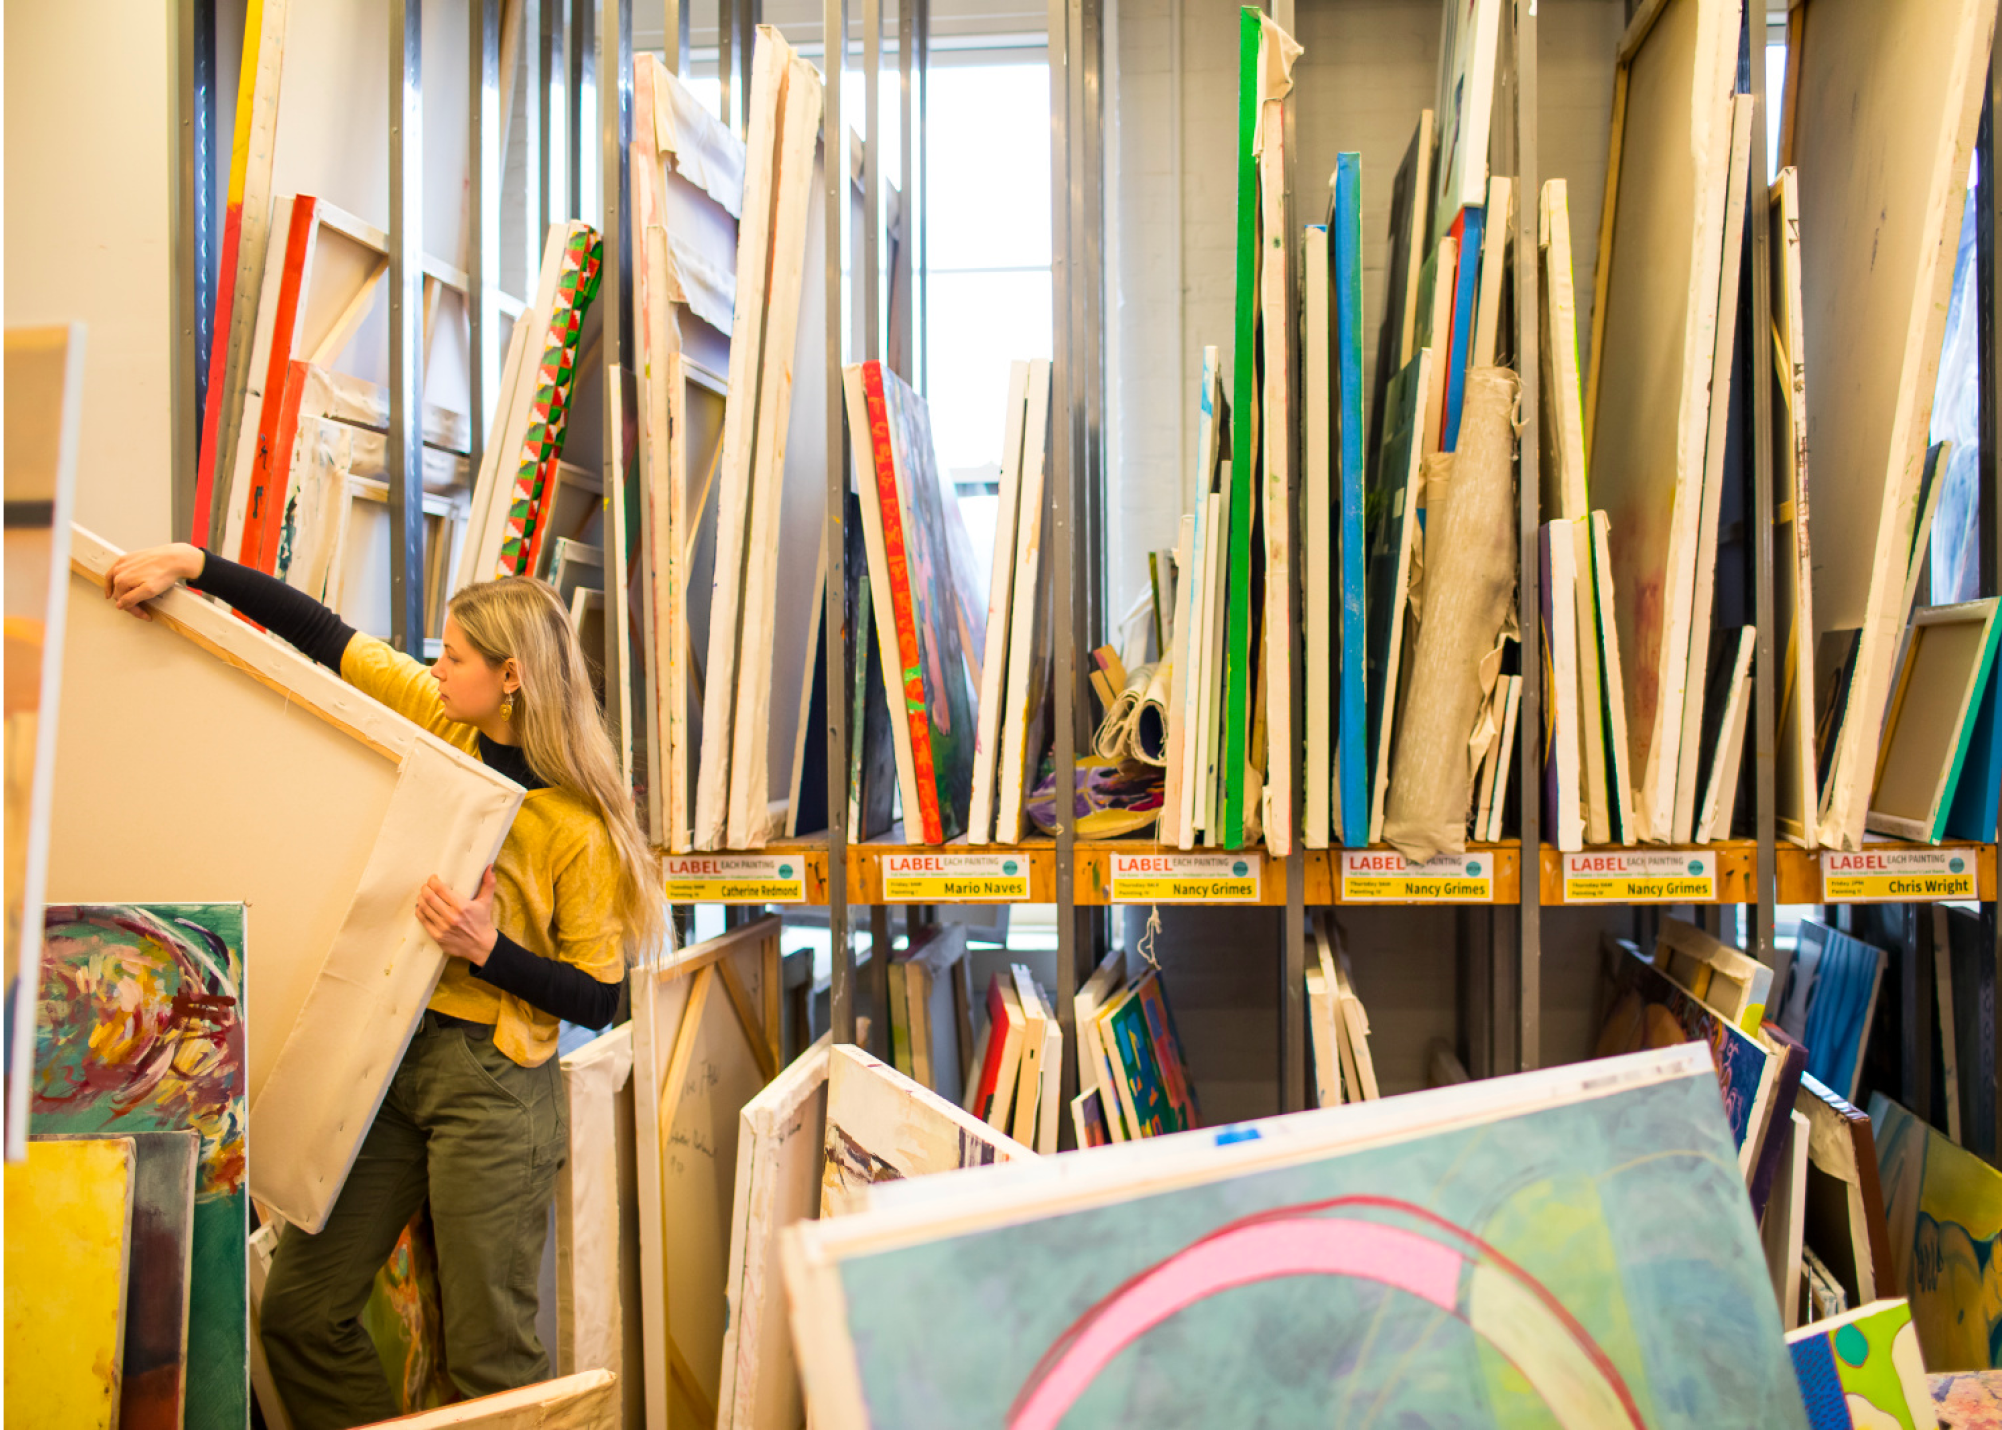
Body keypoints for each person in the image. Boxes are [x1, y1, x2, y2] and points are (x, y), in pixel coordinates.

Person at [105, 542, 663, 1429]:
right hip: (393, 1060)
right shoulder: (444, 721)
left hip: (495, 1089)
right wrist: (195, 564)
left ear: (510, 676)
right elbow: (327, 637)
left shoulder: (577, 827)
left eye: (454, 658)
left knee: (490, 1362)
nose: (435, 669)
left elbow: (603, 1000)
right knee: (298, 1314)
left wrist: (489, 950)